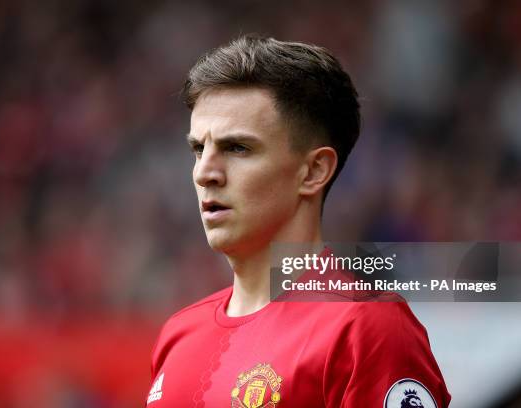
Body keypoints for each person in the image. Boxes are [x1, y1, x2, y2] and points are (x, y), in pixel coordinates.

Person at [146, 34, 450, 407]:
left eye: (237, 148)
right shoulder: (177, 335)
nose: (204, 172)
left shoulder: (365, 329)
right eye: (198, 148)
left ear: (313, 172)